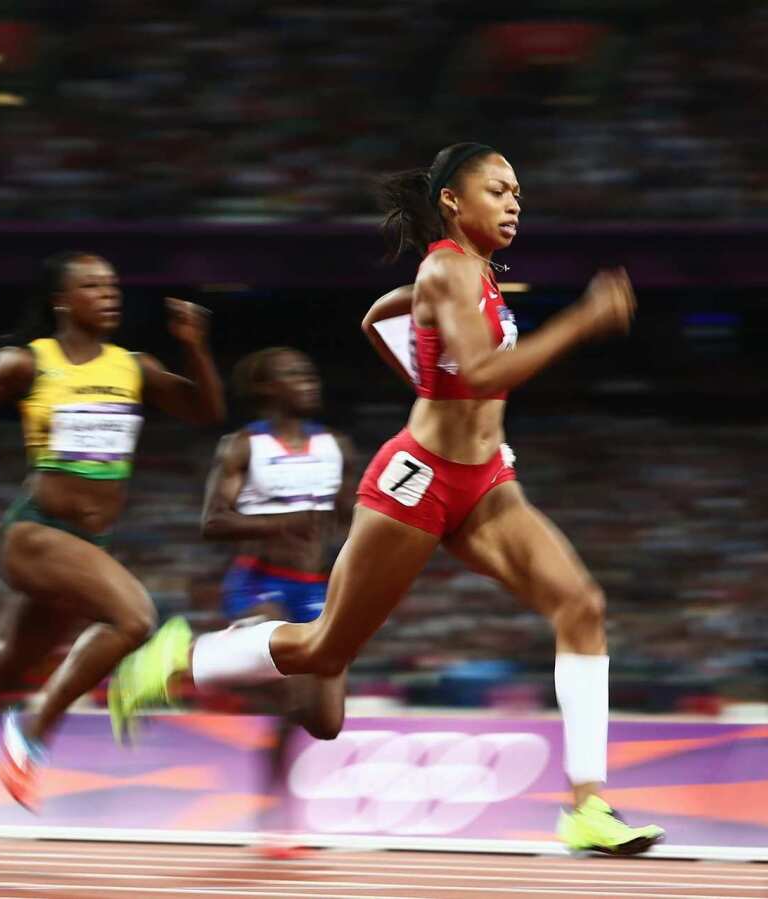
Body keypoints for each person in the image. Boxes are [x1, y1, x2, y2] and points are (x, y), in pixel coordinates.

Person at [109, 144, 666, 856]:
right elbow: (486, 371)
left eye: (519, 191)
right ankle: (181, 658)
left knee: (581, 603)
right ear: (453, 204)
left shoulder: (473, 276)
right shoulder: (445, 268)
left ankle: (586, 806)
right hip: (420, 479)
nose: (515, 201)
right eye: (498, 189)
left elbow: (378, 318)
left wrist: (434, 382)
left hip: (486, 479)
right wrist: (581, 322)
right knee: (324, 647)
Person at [0, 250, 225, 827]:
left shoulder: (133, 366)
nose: (109, 293)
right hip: (36, 533)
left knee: (8, 667)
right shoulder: (31, 362)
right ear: (61, 300)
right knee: (135, 619)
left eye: (113, 285)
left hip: (81, 542)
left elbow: (206, 410)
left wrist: (195, 345)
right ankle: (33, 728)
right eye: (92, 286)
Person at [196, 347, 351, 856]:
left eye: (310, 372)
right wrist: (283, 522)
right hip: (259, 583)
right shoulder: (243, 446)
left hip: (314, 589)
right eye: (293, 374)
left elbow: (358, 523)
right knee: (287, 693)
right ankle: (275, 816)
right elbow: (213, 523)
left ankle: (214, 676)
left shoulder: (337, 447)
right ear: (267, 389)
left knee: (323, 722)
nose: (308, 380)